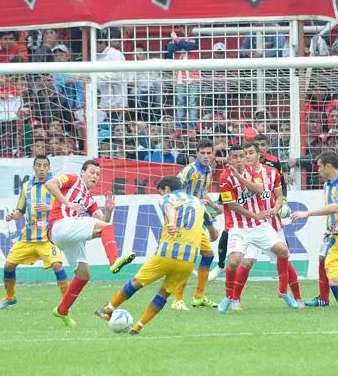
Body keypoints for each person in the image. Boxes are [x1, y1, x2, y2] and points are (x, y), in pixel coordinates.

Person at [94, 175, 217, 334]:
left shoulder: (168, 197)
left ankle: (108, 309)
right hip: (188, 261)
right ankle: (138, 327)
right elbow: (214, 233)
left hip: (166, 254)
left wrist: (172, 222)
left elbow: (169, 207)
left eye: (161, 192)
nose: (161, 195)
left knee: (136, 283)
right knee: (164, 294)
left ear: (166, 189)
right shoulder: (199, 203)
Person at [47, 160, 136, 326]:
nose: (95, 176)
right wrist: (67, 203)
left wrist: (109, 210)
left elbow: (103, 222)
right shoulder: (73, 179)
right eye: (92, 172)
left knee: (83, 274)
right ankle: (114, 261)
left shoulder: (90, 200)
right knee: (105, 228)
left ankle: (62, 311)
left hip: (68, 234)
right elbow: (50, 184)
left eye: (97, 174)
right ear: (82, 172)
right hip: (59, 225)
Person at [290, 150, 338, 333]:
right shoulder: (328, 185)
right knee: (334, 282)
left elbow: (337, 207)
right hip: (333, 240)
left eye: (320, 167)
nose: (318, 171)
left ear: (328, 166)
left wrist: (307, 213)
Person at [217, 144, 297, 313]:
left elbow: (259, 190)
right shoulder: (224, 177)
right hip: (238, 226)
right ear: (230, 159)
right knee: (234, 262)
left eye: (242, 156)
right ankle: (229, 296)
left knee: (283, 250)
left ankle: (283, 291)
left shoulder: (253, 172)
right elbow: (232, 206)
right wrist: (255, 215)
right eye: (236, 157)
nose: (240, 159)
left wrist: (240, 177)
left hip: (259, 225)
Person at [0, 155, 70, 309]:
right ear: (34, 168)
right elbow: (20, 211)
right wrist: (12, 216)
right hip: (28, 237)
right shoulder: (26, 187)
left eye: (44, 166)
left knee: (57, 265)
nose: (41, 169)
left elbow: (66, 207)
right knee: (8, 266)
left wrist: (49, 208)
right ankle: (10, 297)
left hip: (49, 237)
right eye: (39, 165)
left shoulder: (56, 185)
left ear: (49, 168)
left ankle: (67, 302)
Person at [170, 140, 218, 310]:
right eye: (202, 153)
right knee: (187, 258)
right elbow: (175, 191)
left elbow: (203, 192)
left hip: (200, 216)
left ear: (213, 154)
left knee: (208, 254)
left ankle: (198, 296)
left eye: (208, 153)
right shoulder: (189, 170)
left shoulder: (209, 170)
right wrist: (197, 201)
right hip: (186, 218)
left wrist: (212, 205)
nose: (206, 156)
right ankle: (177, 300)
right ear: (197, 153)